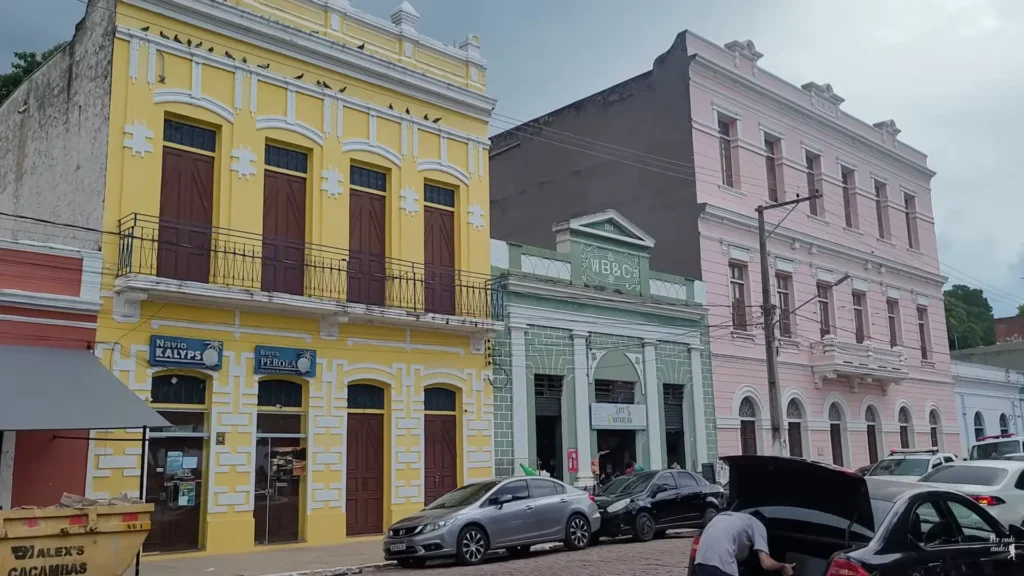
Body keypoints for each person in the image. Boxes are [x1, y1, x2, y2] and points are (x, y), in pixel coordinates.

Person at [694, 510, 794, 576]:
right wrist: (782, 566)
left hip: (700, 564)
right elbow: (766, 564)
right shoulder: (758, 525)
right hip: (721, 567)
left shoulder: (726, 516)